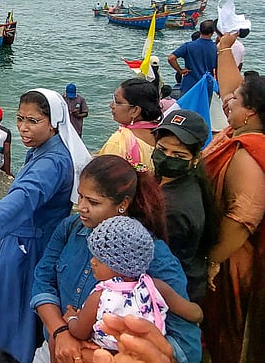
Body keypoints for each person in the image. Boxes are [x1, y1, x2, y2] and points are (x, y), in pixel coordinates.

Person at [0, 89, 90, 363]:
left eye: (33, 121)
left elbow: (27, 193)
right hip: (23, 243)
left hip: (29, 252)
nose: (23, 128)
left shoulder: (52, 161)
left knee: (14, 318)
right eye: (20, 119)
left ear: (53, 123)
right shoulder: (45, 150)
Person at [31, 155, 202, 363]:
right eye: (80, 196)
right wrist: (60, 332)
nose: (82, 207)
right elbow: (43, 280)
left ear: (123, 204)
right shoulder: (71, 228)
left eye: (93, 202)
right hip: (58, 348)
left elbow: (185, 341)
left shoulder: (151, 253)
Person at [200, 32, 265, 362]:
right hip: (224, 251)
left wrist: (212, 260)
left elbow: (243, 218)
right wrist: (224, 49)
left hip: (233, 258)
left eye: (236, 100)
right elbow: (228, 88)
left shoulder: (249, 153)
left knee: (228, 329)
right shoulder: (238, 130)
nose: (226, 100)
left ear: (251, 111)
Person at [63, 216, 203, 353]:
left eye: (100, 259)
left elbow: (80, 332)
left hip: (108, 354)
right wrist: (197, 312)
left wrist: (71, 317)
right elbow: (194, 314)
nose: (92, 262)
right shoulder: (154, 286)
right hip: (149, 353)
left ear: (120, 266)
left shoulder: (100, 297)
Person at [151, 109, 216, 303]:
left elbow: (157, 261)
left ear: (196, 158)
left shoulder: (175, 208)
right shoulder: (173, 182)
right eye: (162, 150)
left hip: (173, 295)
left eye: (178, 155)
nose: (168, 157)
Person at [99, 78, 162, 169]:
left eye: (118, 102)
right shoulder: (163, 136)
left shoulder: (118, 142)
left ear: (135, 110)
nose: (111, 105)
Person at [168, 19, 216, 95]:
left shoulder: (189, 46)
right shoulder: (215, 48)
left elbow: (171, 58)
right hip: (206, 86)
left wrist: (180, 70)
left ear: (200, 30)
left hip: (189, 85)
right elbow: (217, 69)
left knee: (186, 106)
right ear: (213, 32)